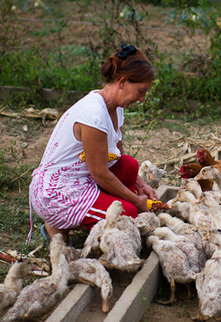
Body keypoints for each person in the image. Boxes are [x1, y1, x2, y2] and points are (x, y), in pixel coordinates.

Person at [28, 43, 159, 244]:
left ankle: (92, 218)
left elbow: (117, 155)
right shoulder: (94, 115)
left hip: (84, 180)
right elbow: (99, 173)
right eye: (140, 91)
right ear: (122, 82)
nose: (142, 99)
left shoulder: (116, 107)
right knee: (129, 215)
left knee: (129, 165)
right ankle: (57, 224)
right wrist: (136, 202)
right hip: (59, 191)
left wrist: (141, 186)